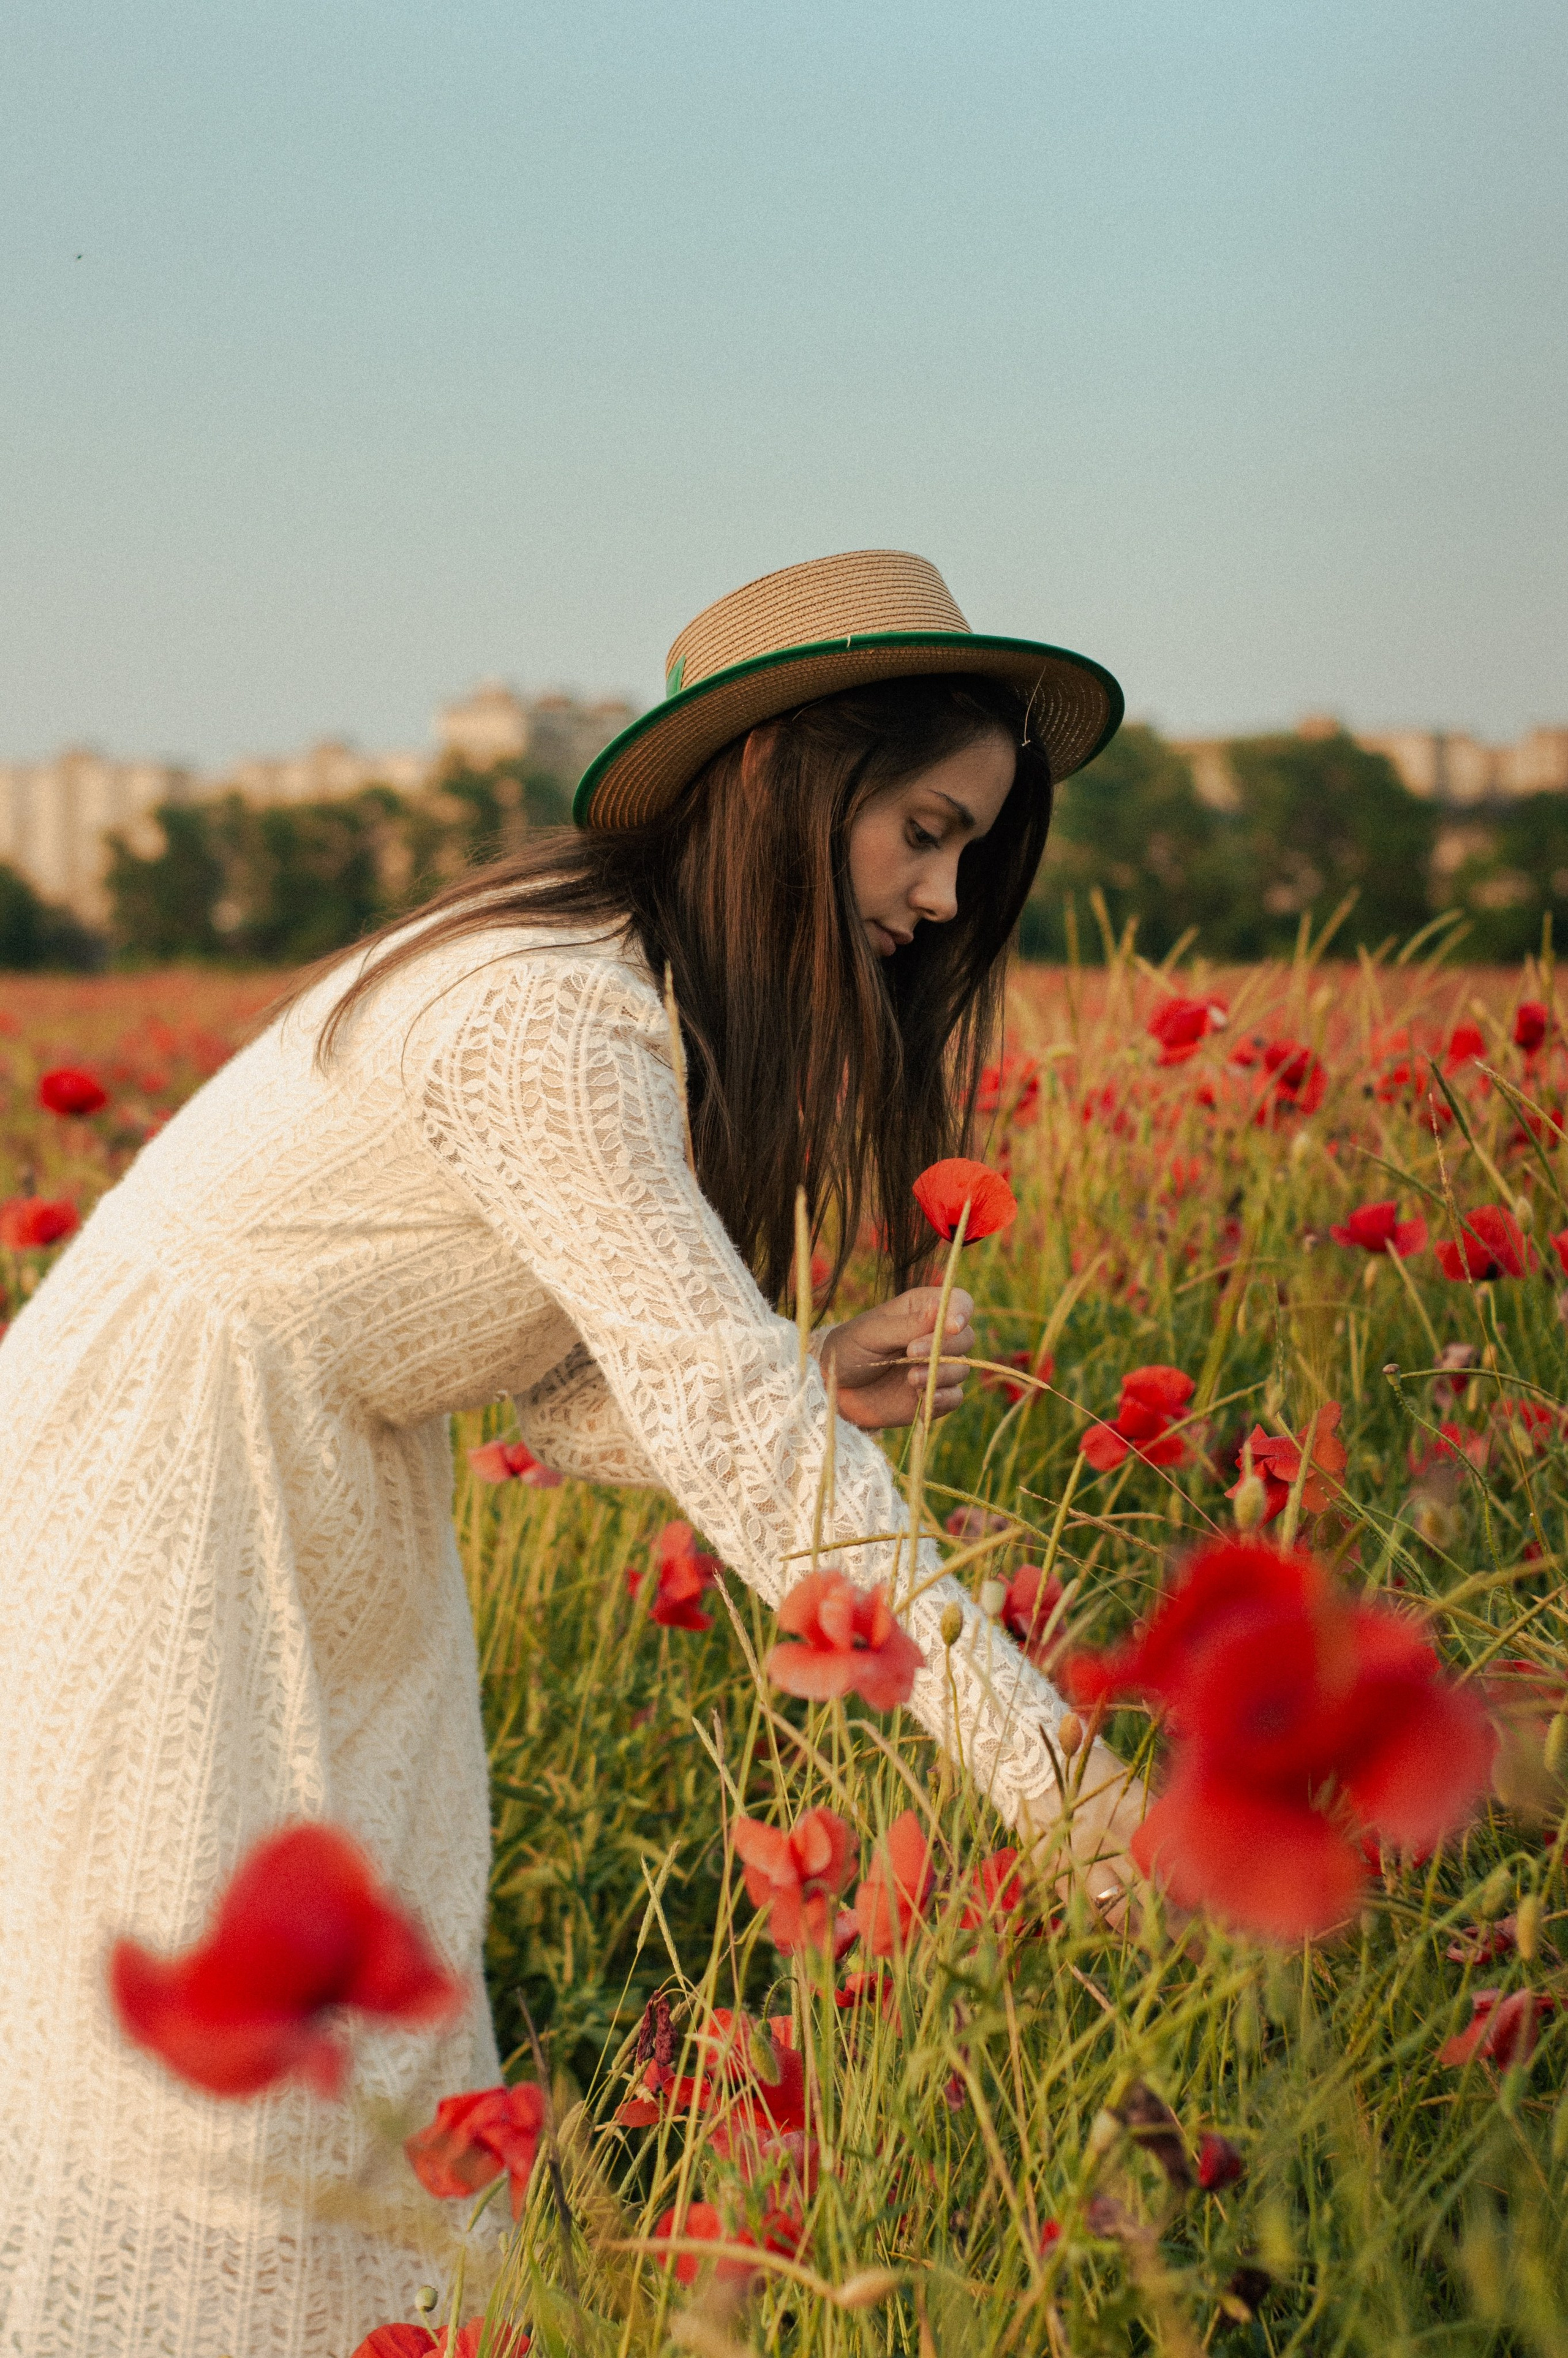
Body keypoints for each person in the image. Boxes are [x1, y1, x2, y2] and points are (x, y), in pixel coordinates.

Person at [0, 548, 1140, 2356]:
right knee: (211, 2060)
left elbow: (555, 1394)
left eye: (967, 857)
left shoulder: (630, 1002)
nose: (938, 897)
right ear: (788, 780)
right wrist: (1066, 1789)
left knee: (356, 2026)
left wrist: (800, 1371)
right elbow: (737, 1444)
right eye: (924, 830)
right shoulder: (546, 1010)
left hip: (327, 1477)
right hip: (161, 1481)